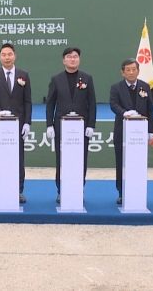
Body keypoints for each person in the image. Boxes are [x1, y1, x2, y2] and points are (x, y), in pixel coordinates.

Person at [45, 47, 97, 204]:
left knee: (81, 159)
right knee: (61, 159)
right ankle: (61, 191)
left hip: (82, 125)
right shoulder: (56, 79)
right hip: (61, 125)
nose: (72, 59)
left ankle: (78, 190)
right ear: (63, 60)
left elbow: (92, 103)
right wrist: (49, 125)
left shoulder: (87, 78)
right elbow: (50, 103)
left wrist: (91, 125)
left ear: (79, 59)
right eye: (69, 57)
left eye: (75, 57)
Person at [0, 43, 31, 204]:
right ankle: (3, 191)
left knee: (18, 158)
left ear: (15, 56)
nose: (7, 57)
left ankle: (19, 191)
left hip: (18, 124)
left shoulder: (23, 75)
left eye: (9, 54)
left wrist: (27, 123)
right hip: (0, 123)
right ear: (0, 57)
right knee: (1, 158)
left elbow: (27, 101)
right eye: (4, 54)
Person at [108, 58, 153, 204]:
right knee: (121, 162)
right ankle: (122, 192)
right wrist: (125, 113)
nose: (131, 72)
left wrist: (151, 131)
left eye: (134, 69)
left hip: (140, 132)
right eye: (128, 70)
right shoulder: (116, 87)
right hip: (122, 130)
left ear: (138, 71)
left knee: (138, 162)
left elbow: (150, 109)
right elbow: (113, 105)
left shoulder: (145, 86)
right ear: (122, 72)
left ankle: (138, 191)